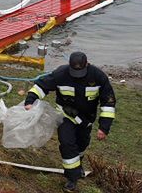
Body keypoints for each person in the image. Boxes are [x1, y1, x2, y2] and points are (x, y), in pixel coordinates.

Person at [24, 52, 116, 192]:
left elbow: (108, 103)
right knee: (67, 143)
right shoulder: (61, 73)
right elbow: (41, 86)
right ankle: (72, 178)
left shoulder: (98, 77)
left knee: (81, 145)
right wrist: (30, 101)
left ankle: (78, 165)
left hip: (86, 119)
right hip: (65, 115)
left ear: (87, 64)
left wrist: (104, 127)